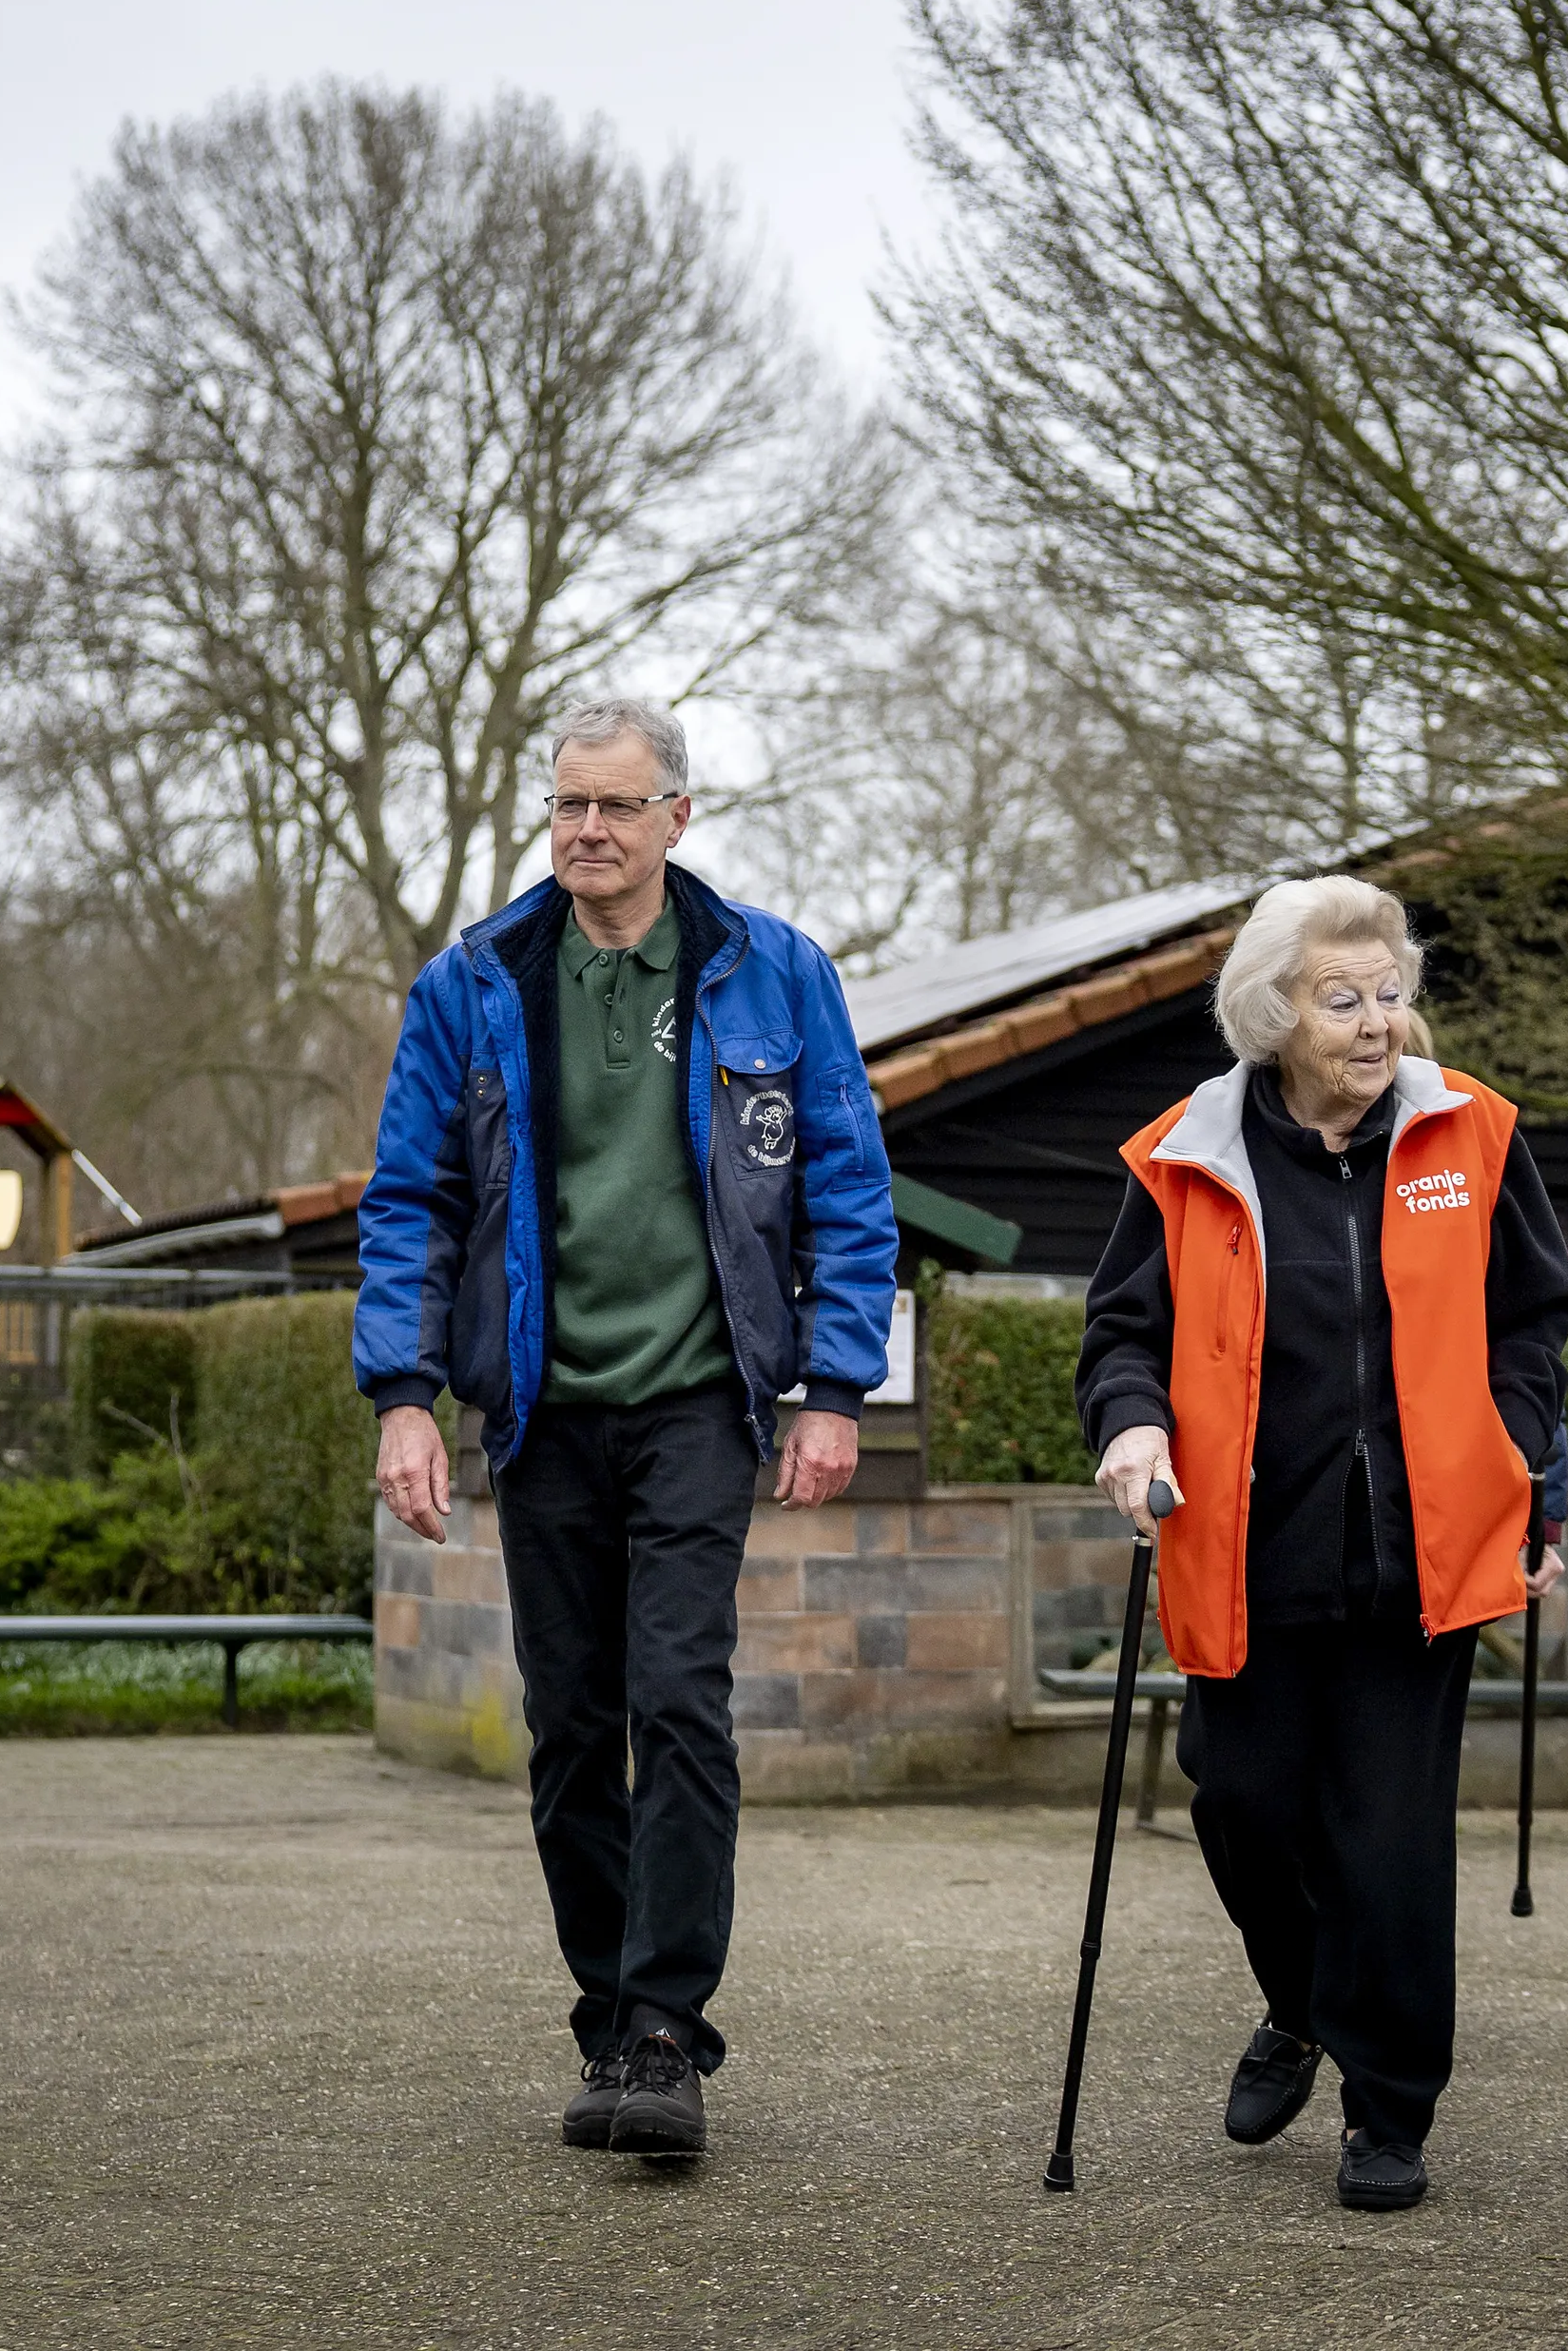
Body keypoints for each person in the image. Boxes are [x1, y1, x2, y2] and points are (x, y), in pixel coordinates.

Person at [355, 693, 898, 2160]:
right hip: (541, 1412)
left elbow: (847, 1187)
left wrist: (835, 1387)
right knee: (575, 1728)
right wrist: (405, 1395)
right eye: (568, 804)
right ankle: (605, 2014)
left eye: (616, 804)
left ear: (677, 817)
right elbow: (412, 1201)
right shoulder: (476, 981)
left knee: (678, 1700)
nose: (587, 829)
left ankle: (666, 2029)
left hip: (699, 1403)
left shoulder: (773, 973)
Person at [1074, 876, 1568, 2214]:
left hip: (1425, 1550)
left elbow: (1533, 1320)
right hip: (1247, 1541)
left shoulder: (1474, 1133)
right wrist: (1131, 1425)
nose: (1374, 1023)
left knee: (1390, 1840)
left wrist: (1524, 1467)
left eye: (1388, 994)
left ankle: (1388, 2106)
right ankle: (1298, 2000)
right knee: (1240, 1804)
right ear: (1272, 1014)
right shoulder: (1188, 1155)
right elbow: (1122, 1335)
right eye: (1341, 998)